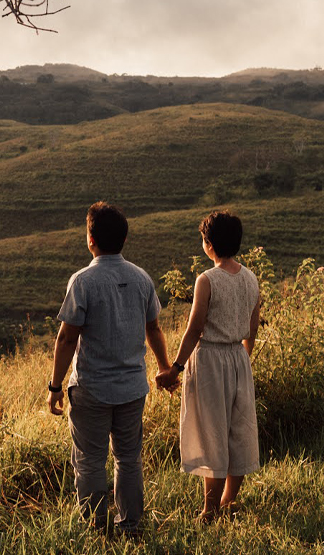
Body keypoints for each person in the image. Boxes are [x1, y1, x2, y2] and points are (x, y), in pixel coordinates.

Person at [47, 201, 171, 536]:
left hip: (92, 388)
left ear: (90, 239)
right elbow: (154, 328)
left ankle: (96, 529)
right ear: (124, 239)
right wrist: (164, 366)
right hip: (132, 388)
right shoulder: (141, 278)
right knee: (128, 460)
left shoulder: (83, 281)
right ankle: (130, 526)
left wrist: (55, 386)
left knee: (89, 460)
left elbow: (66, 339)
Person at [156, 210, 262, 523]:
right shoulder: (250, 278)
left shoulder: (207, 279)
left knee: (211, 432)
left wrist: (175, 368)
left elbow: (194, 329)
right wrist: (245, 356)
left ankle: (210, 510)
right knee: (239, 432)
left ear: (209, 244)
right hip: (239, 357)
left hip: (210, 360)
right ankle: (229, 502)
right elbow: (253, 325)